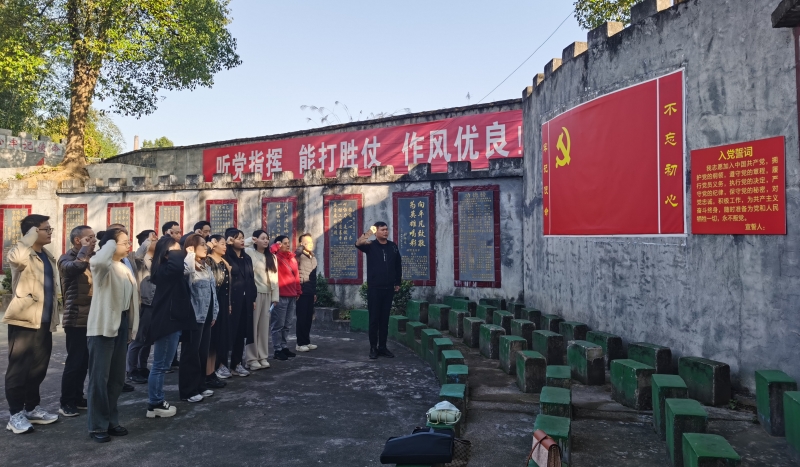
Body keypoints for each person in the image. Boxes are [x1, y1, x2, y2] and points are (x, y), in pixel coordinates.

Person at [3, 214, 60, 434]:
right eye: (46, 229)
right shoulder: (22, 253)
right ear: (33, 232)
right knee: (19, 370)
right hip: (24, 320)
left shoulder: (46, 255)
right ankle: (15, 414)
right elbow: (16, 260)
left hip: (44, 321)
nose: (50, 232)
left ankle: (31, 408)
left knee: (38, 368)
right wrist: (27, 238)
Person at [86, 228, 139, 442]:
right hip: (103, 327)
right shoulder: (102, 266)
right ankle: (97, 426)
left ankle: (110, 420)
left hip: (121, 324)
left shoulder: (124, 266)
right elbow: (99, 260)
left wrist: (131, 327)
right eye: (124, 242)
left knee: (116, 379)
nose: (128, 246)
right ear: (111, 246)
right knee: (100, 379)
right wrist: (109, 241)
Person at [141, 236, 196, 419]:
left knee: (162, 364)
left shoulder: (167, 270)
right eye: (176, 250)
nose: (180, 252)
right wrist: (176, 253)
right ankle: (155, 403)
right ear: (166, 254)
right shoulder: (166, 270)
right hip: (167, 322)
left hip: (172, 320)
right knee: (160, 365)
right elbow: (178, 266)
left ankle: (156, 402)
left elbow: (183, 269)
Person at [58, 225, 96, 417]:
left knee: (84, 362)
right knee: (74, 362)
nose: (94, 241)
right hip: (75, 317)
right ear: (77, 240)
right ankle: (66, 401)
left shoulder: (92, 258)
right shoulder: (66, 259)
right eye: (89, 238)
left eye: (94, 237)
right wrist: (85, 251)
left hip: (91, 317)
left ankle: (78, 397)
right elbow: (76, 267)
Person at [355, 222, 402, 360]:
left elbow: (398, 264)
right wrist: (370, 231)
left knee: (384, 320)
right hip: (375, 288)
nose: (386, 232)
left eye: (387, 229)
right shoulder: (370, 245)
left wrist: (397, 282)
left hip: (388, 289)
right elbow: (358, 243)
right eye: (382, 230)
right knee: (374, 319)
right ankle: (373, 348)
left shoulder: (392, 246)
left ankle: (383, 347)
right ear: (377, 232)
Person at [180, 234, 218, 402]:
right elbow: (186, 272)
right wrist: (189, 255)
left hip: (207, 315)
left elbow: (213, 292)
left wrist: (214, 313)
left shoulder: (206, 266)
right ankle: (188, 390)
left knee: (202, 352)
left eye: (205, 244)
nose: (205, 247)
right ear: (192, 247)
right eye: (201, 244)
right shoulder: (188, 266)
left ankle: (200, 385)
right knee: (191, 354)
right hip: (194, 316)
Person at [243, 230, 279, 370]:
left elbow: (275, 278)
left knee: (264, 328)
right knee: (253, 327)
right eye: (262, 238)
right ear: (256, 239)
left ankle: (262, 356)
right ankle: (252, 359)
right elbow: (242, 246)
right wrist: (250, 240)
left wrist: (275, 297)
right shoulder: (250, 253)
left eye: (267, 238)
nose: (266, 240)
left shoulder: (272, 257)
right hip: (254, 294)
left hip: (268, 294)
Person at [223, 228, 257, 377]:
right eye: (238, 238)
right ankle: (222, 364)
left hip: (245, 301)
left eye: (243, 237)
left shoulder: (247, 258)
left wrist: (253, 298)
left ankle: (236, 364)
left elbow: (251, 279)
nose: (242, 240)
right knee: (228, 333)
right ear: (230, 240)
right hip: (231, 302)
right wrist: (227, 244)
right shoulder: (226, 257)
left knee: (241, 333)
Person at [126, 230, 158, 384]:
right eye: (154, 239)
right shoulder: (137, 259)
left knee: (149, 339)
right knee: (138, 339)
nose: (157, 241)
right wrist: (147, 241)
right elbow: (139, 255)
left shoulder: (157, 259)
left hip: (155, 303)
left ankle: (142, 366)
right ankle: (131, 370)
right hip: (143, 303)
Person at [269, 235, 300, 361]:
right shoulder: (275, 257)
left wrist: (298, 291)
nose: (288, 245)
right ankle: (277, 349)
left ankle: (284, 346)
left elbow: (296, 276)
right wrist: (276, 245)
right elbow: (270, 251)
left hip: (292, 295)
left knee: (287, 324)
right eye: (285, 243)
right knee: (278, 324)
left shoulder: (292, 258)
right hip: (280, 296)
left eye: (288, 242)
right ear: (279, 244)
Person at [207, 235, 231, 386]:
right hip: (212, 302)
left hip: (223, 302)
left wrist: (229, 303)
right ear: (214, 245)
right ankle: (208, 373)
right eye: (222, 244)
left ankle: (214, 370)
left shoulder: (223, 262)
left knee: (220, 338)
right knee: (211, 339)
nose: (225, 247)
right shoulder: (208, 261)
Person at [294, 233, 318, 352]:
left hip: (310, 291)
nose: (310, 244)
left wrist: (314, 292)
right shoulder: (298, 256)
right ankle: (300, 343)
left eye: (311, 241)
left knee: (308, 318)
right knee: (302, 318)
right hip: (301, 292)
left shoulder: (313, 257)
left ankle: (306, 341)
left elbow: (313, 278)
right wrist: (300, 248)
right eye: (306, 242)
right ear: (301, 243)